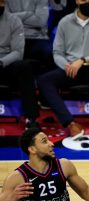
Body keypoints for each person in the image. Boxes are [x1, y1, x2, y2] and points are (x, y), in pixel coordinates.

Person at [37, 0, 89, 140]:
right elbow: (57, 52)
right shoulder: (64, 22)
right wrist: (67, 66)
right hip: (70, 69)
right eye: (85, 0)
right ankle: (70, 123)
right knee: (44, 80)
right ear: (77, 1)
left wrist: (83, 60)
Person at [0, 0, 40, 129]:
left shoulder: (14, 21)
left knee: (25, 66)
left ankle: (31, 118)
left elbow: (18, 52)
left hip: (6, 64)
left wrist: (1, 62)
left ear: (4, 3)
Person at [5, 0, 54, 72]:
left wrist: (14, 17)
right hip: (13, 38)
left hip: (37, 38)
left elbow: (40, 21)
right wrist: (28, 14)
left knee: (52, 56)